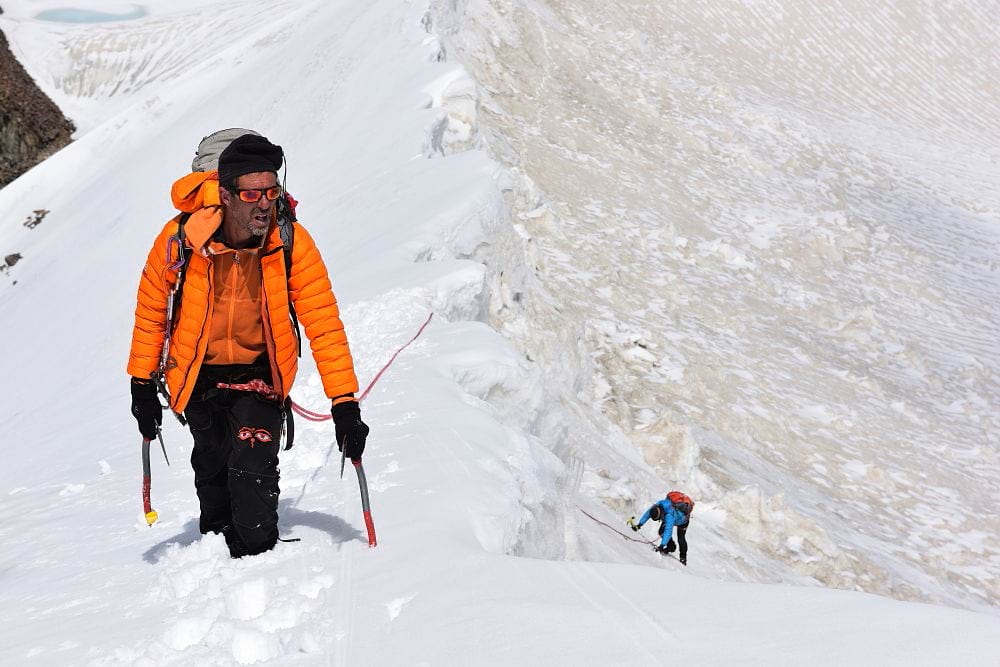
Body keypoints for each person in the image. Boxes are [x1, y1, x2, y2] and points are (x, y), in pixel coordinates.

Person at [128, 131, 369, 558]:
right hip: (197, 377)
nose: (264, 203)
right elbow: (153, 311)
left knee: (252, 474)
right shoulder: (181, 238)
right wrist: (142, 383)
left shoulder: (290, 241)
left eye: (271, 192)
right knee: (213, 474)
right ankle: (214, 570)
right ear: (225, 194)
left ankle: (259, 567)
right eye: (252, 193)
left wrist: (344, 402)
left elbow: (323, 322)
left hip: (260, 375)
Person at [632, 494, 691, 565]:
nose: (659, 520)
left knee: (681, 538)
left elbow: (668, 531)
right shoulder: (658, 505)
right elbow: (648, 513)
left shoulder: (669, 516)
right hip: (674, 517)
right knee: (661, 532)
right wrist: (639, 525)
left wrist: (662, 545)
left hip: (683, 521)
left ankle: (683, 558)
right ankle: (671, 547)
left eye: (659, 518)